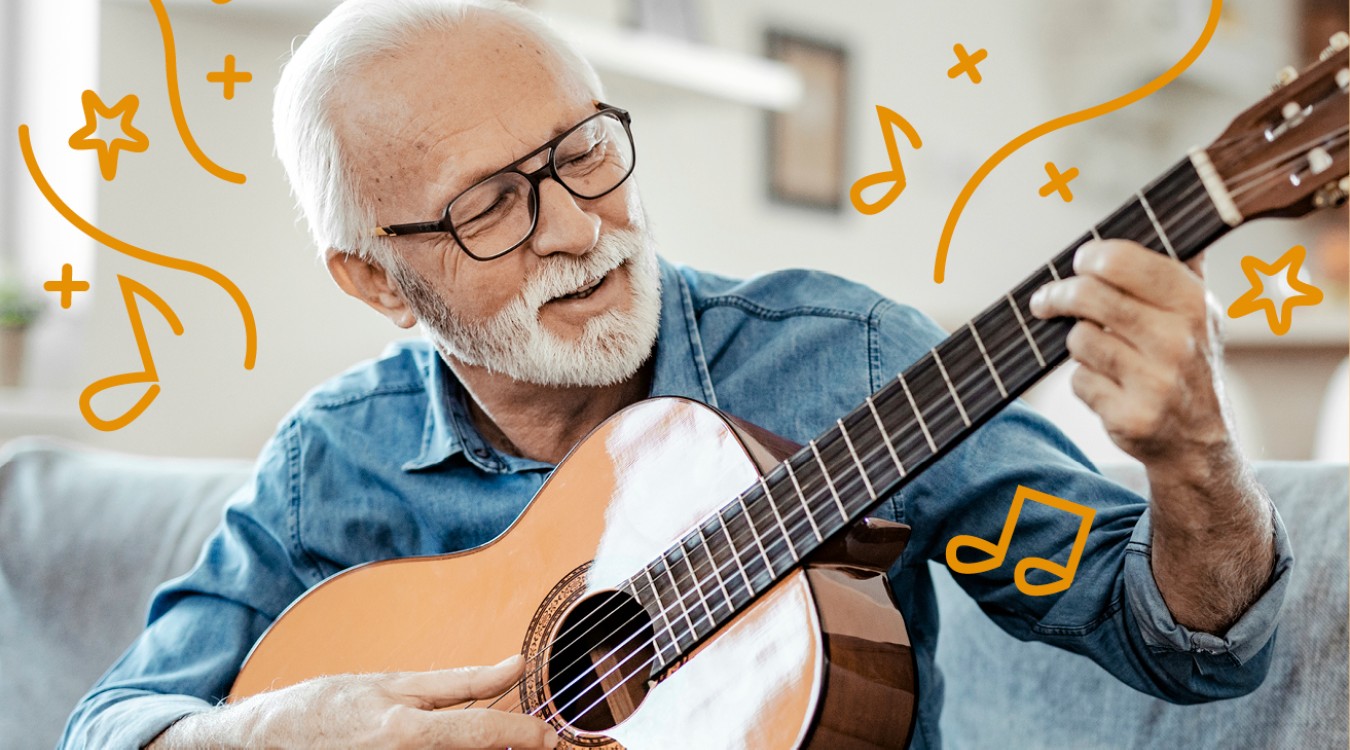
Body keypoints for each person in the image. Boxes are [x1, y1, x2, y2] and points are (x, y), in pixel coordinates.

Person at [60, 0, 1292, 747]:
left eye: (583, 151)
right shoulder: (338, 462)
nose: (577, 226)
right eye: (490, 207)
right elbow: (110, 725)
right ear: (379, 283)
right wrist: (271, 736)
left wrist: (1195, 464)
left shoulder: (845, 365)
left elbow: (1180, 648)